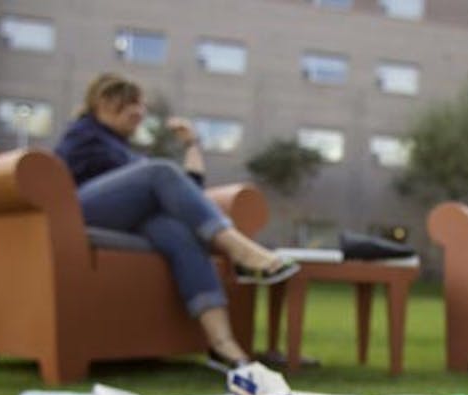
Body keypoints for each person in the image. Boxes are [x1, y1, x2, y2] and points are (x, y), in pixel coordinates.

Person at [54, 72, 298, 368]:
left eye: (140, 105)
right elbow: (162, 178)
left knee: (177, 232)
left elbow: (188, 189)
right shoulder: (84, 135)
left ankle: (222, 344)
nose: (139, 113)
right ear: (103, 103)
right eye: (130, 104)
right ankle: (240, 251)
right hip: (76, 212)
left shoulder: (120, 147)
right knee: (161, 172)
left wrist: (192, 144)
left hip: (123, 218)